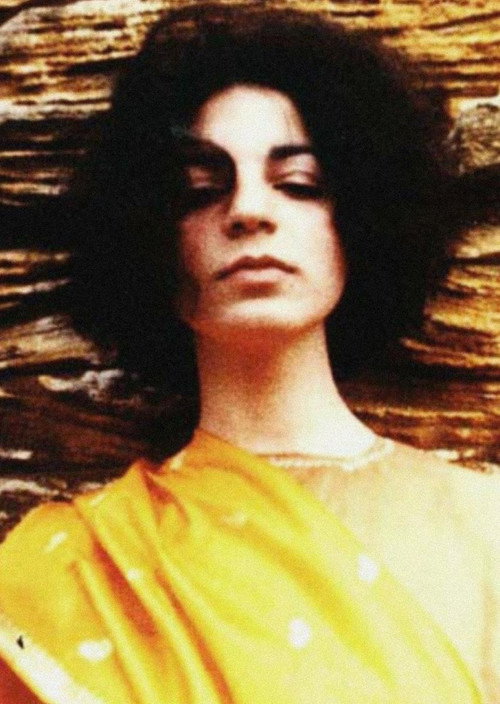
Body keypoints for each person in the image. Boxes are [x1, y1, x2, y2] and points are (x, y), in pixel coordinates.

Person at [0, 4, 497, 703]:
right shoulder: (69, 571)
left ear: (361, 220)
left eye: (298, 185)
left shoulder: (483, 527)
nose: (249, 211)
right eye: (202, 191)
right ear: (150, 242)